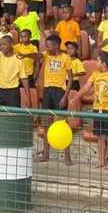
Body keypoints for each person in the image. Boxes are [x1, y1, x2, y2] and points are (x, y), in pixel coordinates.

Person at [77, 51, 108, 170]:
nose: (96, 63)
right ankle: (101, 160)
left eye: (98, 61)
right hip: (97, 109)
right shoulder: (95, 74)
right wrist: (76, 97)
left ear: (104, 63)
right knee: (100, 136)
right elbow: (86, 87)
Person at [38, 34, 73, 164]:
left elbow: (70, 79)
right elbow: (38, 56)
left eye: (49, 46)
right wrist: (26, 56)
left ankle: (67, 156)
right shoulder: (46, 55)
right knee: (46, 123)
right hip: (48, 91)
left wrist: (65, 96)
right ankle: (46, 154)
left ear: (56, 45)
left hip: (60, 91)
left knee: (62, 123)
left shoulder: (66, 58)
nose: (47, 48)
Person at [0, 35, 29, 107]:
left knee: (13, 115)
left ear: (11, 44)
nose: (1, 47)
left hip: (13, 92)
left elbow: (24, 79)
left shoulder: (18, 59)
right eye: (0, 45)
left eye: (4, 44)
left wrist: (28, 98)